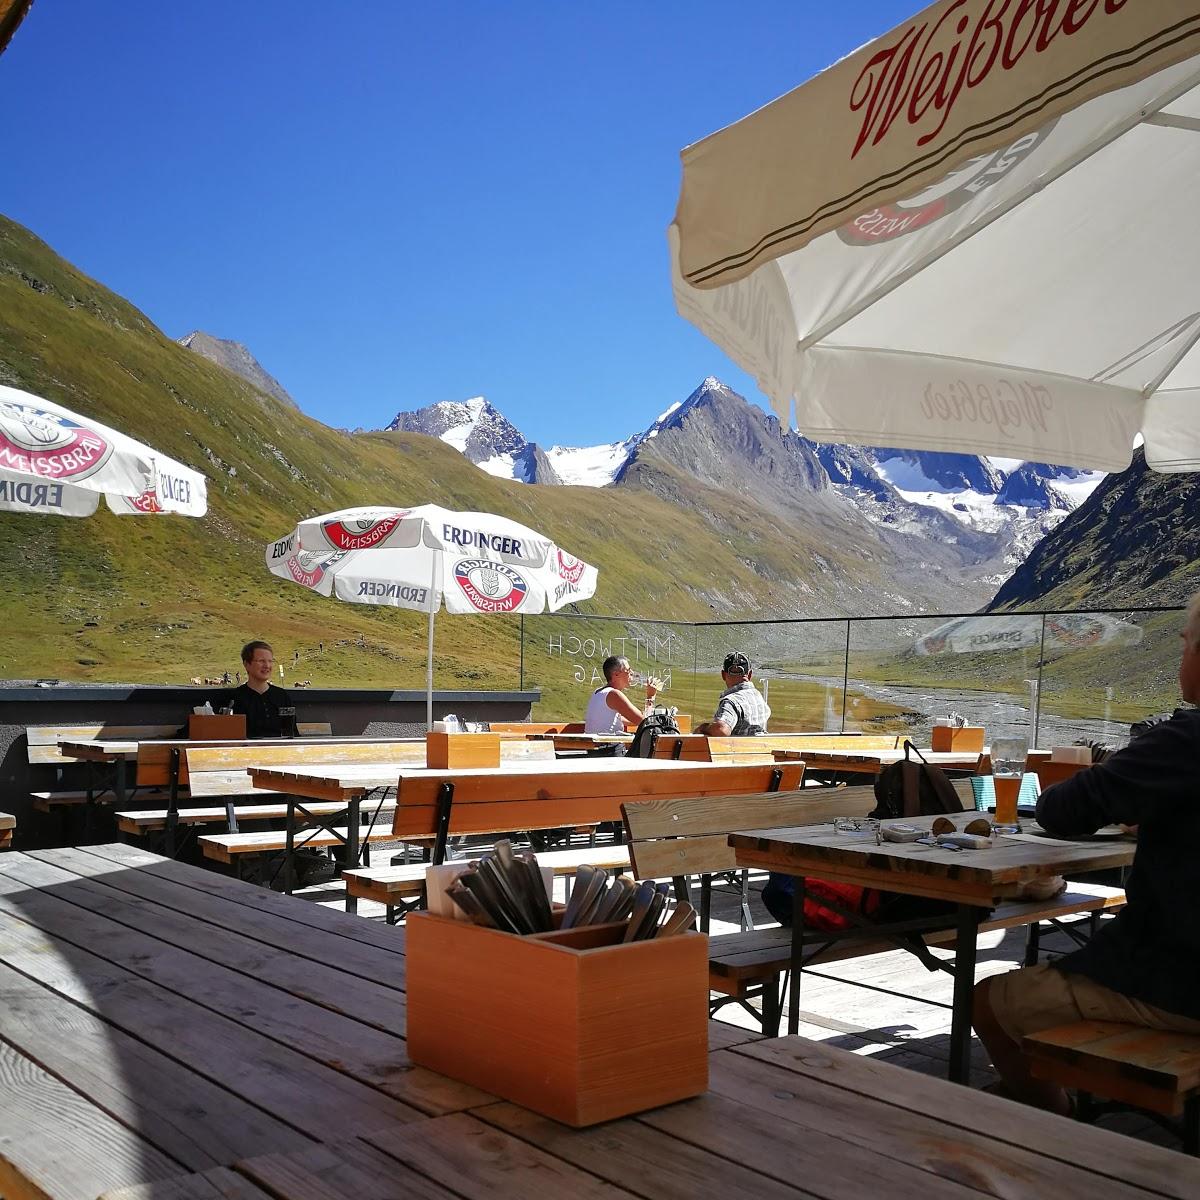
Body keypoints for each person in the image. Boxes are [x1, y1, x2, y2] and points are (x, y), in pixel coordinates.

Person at [973, 589, 1200, 1115]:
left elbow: (1062, 810)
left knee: (990, 1001)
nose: (1181, 656)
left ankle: (1059, 1134)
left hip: (1181, 983)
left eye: (1186, 644)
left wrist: (1132, 780)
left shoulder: (1185, 741)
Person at [216, 640, 292, 738]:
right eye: (261, 661)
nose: (267, 666)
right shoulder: (234, 699)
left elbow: (291, 733)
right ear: (246, 664)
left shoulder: (282, 696)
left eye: (270, 661)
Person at [695, 652, 770, 735]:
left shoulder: (731, 701)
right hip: (760, 746)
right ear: (749, 674)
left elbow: (722, 729)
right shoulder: (758, 697)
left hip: (736, 747)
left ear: (723, 675)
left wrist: (703, 728)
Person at [584, 656, 657, 733]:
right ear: (616, 674)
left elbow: (624, 719)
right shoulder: (614, 694)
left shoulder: (598, 692)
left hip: (595, 744)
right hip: (608, 744)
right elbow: (645, 722)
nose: (632, 673)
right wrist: (651, 696)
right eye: (628, 670)